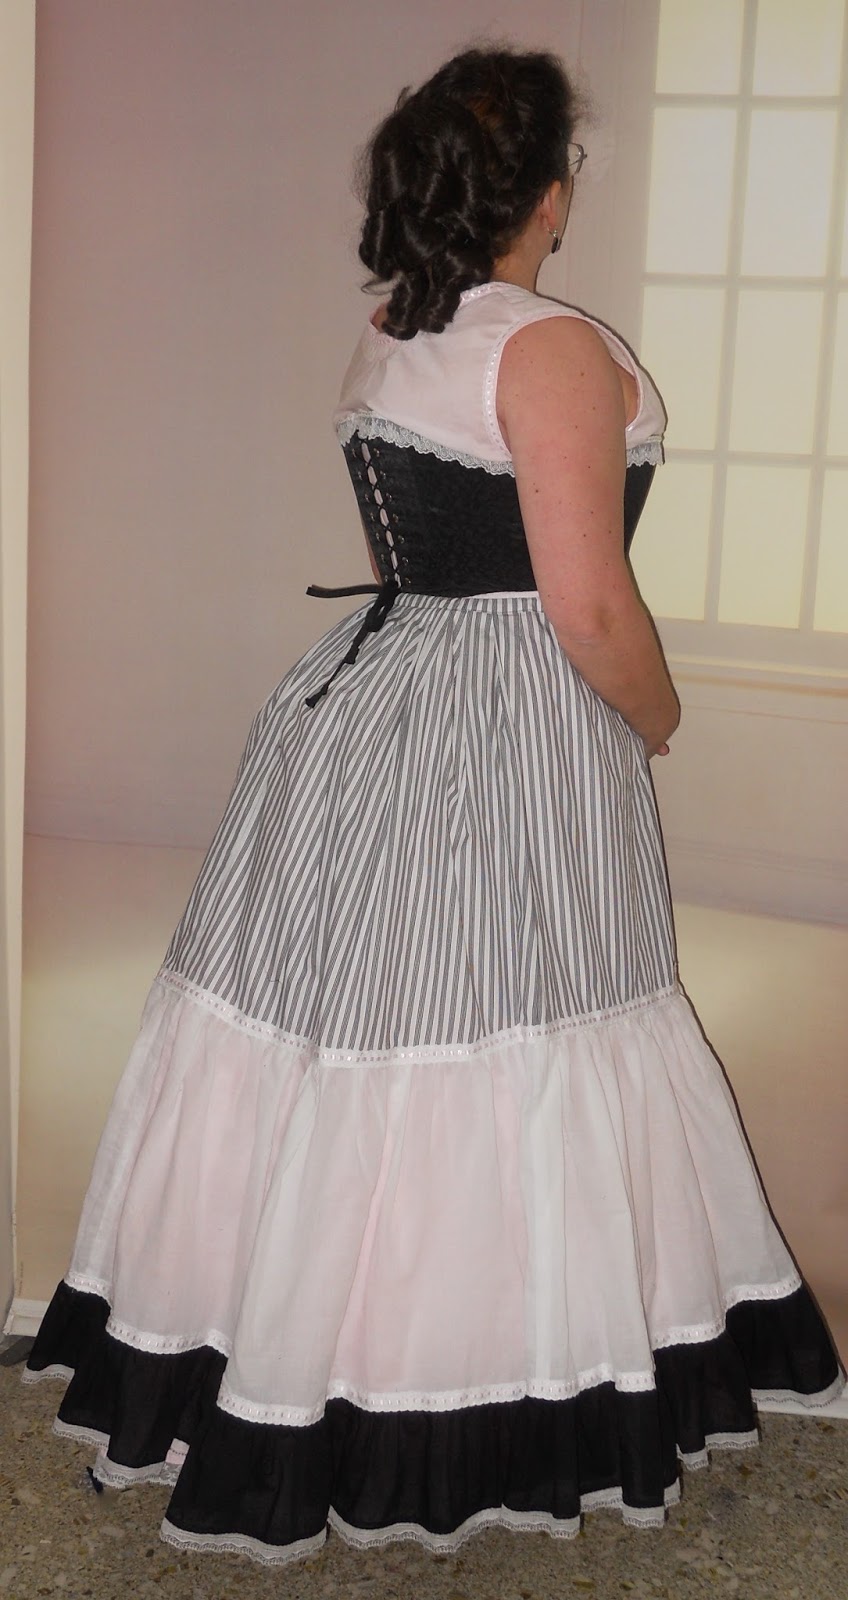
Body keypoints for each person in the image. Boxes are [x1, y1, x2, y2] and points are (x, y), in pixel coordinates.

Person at [24, 44, 843, 1566]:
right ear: (547, 192)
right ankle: (471, 1381)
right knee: (508, 1019)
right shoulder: (553, 350)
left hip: (371, 705)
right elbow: (587, 604)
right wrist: (658, 715)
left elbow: (435, 554)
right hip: (508, 722)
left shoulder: (400, 330)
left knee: (357, 1026)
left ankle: (289, 1349)